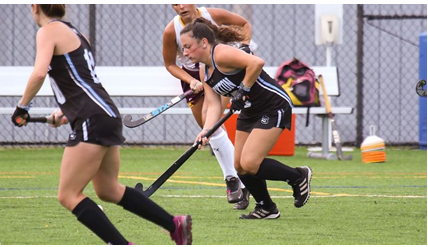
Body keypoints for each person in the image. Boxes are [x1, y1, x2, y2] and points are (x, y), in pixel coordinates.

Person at [11, 4, 192, 244]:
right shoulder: (75, 33)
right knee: (108, 190)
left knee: (68, 195)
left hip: (92, 117)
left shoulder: (48, 31)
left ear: (35, 7)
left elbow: (39, 73)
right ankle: (174, 224)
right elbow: (79, 79)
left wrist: (22, 107)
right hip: (105, 114)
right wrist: (65, 110)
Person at [180, 17, 313, 220]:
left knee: (250, 163)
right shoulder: (203, 70)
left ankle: (298, 176)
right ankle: (267, 207)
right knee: (239, 166)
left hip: (272, 105)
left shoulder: (221, 53)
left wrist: (243, 89)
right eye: (184, 48)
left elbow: (256, 62)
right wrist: (206, 130)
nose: (186, 52)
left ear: (204, 42)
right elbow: (215, 104)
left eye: (188, 47)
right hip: (250, 111)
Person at [163, 4, 253, 210]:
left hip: (218, 69)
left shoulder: (213, 15)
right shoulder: (171, 30)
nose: (181, 6)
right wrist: (191, 80)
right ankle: (241, 181)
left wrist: (245, 46)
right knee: (210, 130)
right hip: (193, 77)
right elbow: (170, 64)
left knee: (209, 123)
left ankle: (233, 179)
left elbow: (244, 24)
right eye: (175, 3)